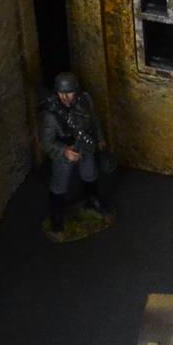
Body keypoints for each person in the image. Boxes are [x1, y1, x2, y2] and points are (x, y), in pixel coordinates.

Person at [38, 72, 108, 234]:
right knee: (60, 184)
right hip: (65, 150)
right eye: (61, 93)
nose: (65, 97)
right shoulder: (51, 115)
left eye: (69, 92)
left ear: (75, 90)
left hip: (85, 145)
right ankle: (57, 215)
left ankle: (92, 200)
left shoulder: (85, 100)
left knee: (90, 174)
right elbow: (46, 142)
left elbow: (94, 120)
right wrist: (64, 151)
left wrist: (100, 138)